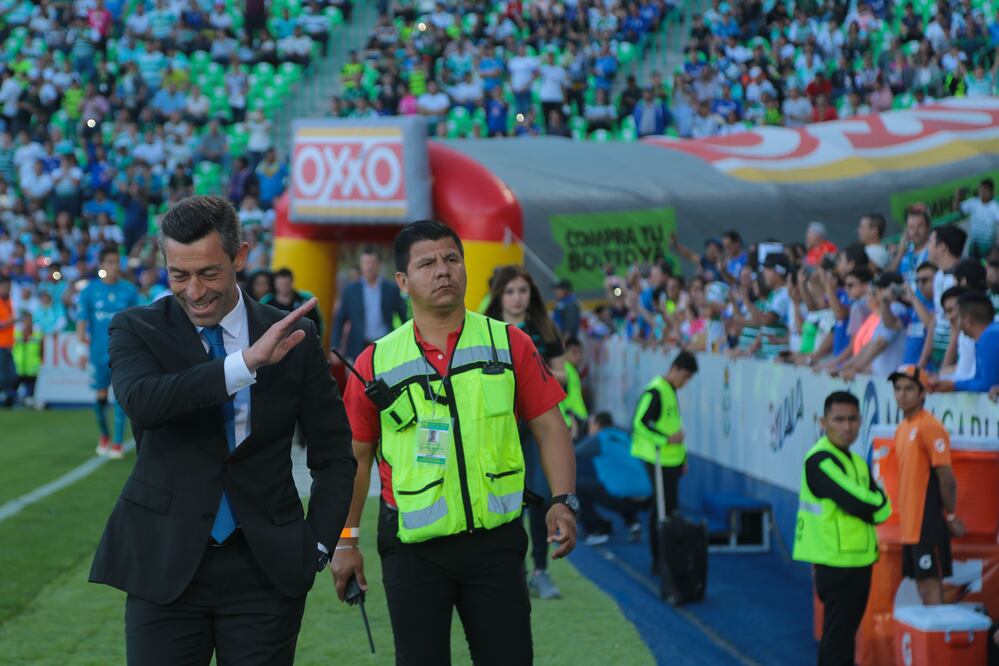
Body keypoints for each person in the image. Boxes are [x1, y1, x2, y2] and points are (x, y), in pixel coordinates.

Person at [89, 195, 356, 664]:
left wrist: (318, 544)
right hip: (164, 564)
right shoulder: (135, 327)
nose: (194, 291)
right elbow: (144, 403)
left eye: (208, 273)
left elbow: (334, 454)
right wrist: (244, 364)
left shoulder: (294, 335)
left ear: (240, 256)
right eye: (179, 275)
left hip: (266, 568)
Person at [333, 220, 577, 665]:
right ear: (403, 282)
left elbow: (550, 426)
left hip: (497, 544)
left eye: (451, 259)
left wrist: (563, 499)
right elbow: (356, 459)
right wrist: (347, 542)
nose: (443, 270)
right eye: (427, 263)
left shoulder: (510, 343)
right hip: (412, 549)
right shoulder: (374, 362)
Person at [485, 264, 568, 600]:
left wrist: (531, 370)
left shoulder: (545, 329)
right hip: (498, 427)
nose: (517, 298)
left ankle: (540, 571)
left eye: (522, 291)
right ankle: (512, 570)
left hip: (537, 427)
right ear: (499, 296)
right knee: (506, 500)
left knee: (540, 496)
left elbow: (563, 375)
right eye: (510, 292)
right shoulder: (485, 329)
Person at [793, 391, 892, 666]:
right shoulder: (819, 460)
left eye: (852, 419)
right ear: (823, 422)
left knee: (845, 638)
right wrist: (875, 501)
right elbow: (864, 502)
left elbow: (881, 511)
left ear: (860, 421)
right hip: (836, 564)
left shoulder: (857, 461)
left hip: (859, 561)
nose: (846, 426)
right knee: (837, 642)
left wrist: (872, 502)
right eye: (838, 419)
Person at [889, 365, 966, 605]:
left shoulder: (930, 426)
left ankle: (940, 630)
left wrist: (951, 516)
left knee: (931, 585)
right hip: (910, 523)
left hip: (927, 522)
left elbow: (946, 477)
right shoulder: (902, 429)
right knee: (923, 587)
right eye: (898, 389)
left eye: (909, 389)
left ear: (923, 393)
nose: (902, 394)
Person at [631, 350, 699, 571]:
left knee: (669, 510)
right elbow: (640, 422)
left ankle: (668, 556)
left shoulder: (670, 391)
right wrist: (665, 439)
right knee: (661, 511)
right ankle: (658, 558)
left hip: (671, 461)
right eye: (685, 377)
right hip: (658, 459)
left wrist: (683, 457)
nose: (685, 383)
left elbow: (674, 426)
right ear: (675, 369)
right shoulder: (656, 391)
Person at [77, 246, 139, 458]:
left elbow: (135, 320)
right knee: (101, 396)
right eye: (110, 262)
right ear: (101, 265)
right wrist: (80, 349)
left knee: (120, 395)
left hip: (123, 352)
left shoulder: (129, 290)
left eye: (116, 262)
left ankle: (118, 442)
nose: (114, 266)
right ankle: (104, 435)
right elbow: (82, 321)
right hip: (98, 352)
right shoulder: (89, 291)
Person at [576, 412, 651, 546]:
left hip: (621, 498)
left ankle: (597, 529)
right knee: (618, 482)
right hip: (646, 496)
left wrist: (572, 435)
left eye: (590, 424)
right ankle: (633, 523)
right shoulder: (624, 436)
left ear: (597, 425)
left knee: (578, 487)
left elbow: (573, 453)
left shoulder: (599, 438)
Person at [331, 246, 407, 361]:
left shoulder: (391, 288)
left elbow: (403, 317)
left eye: (372, 263)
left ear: (379, 265)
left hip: (385, 344)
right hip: (357, 347)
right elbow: (339, 320)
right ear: (361, 265)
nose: (369, 267)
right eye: (366, 263)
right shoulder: (351, 290)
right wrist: (335, 346)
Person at [930, 291, 999, 393]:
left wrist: (954, 385)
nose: (956, 323)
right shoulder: (984, 337)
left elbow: (989, 386)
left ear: (968, 321)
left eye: (958, 317)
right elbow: (978, 379)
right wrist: (950, 384)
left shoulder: (991, 336)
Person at [260, 267, 323, 334]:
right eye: (281, 284)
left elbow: (317, 322)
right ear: (275, 283)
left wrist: (316, 337)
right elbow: (261, 321)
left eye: (286, 283)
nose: (283, 287)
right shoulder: (266, 301)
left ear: (292, 282)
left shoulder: (306, 298)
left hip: (303, 337)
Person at [560, 337, 589, 437]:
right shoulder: (565, 370)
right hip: (572, 422)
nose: (579, 356)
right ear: (565, 352)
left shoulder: (572, 370)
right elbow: (561, 400)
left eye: (580, 352)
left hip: (576, 420)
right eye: (574, 352)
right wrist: (571, 418)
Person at [0, 275, 16, 407]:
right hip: (1, 344)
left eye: (9, 286)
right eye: (5, 286)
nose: (7, 289)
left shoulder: (10, 301)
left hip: (9, 344)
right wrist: (10, 321)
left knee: (11, 375)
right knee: (4, 376)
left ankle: (8, 399)